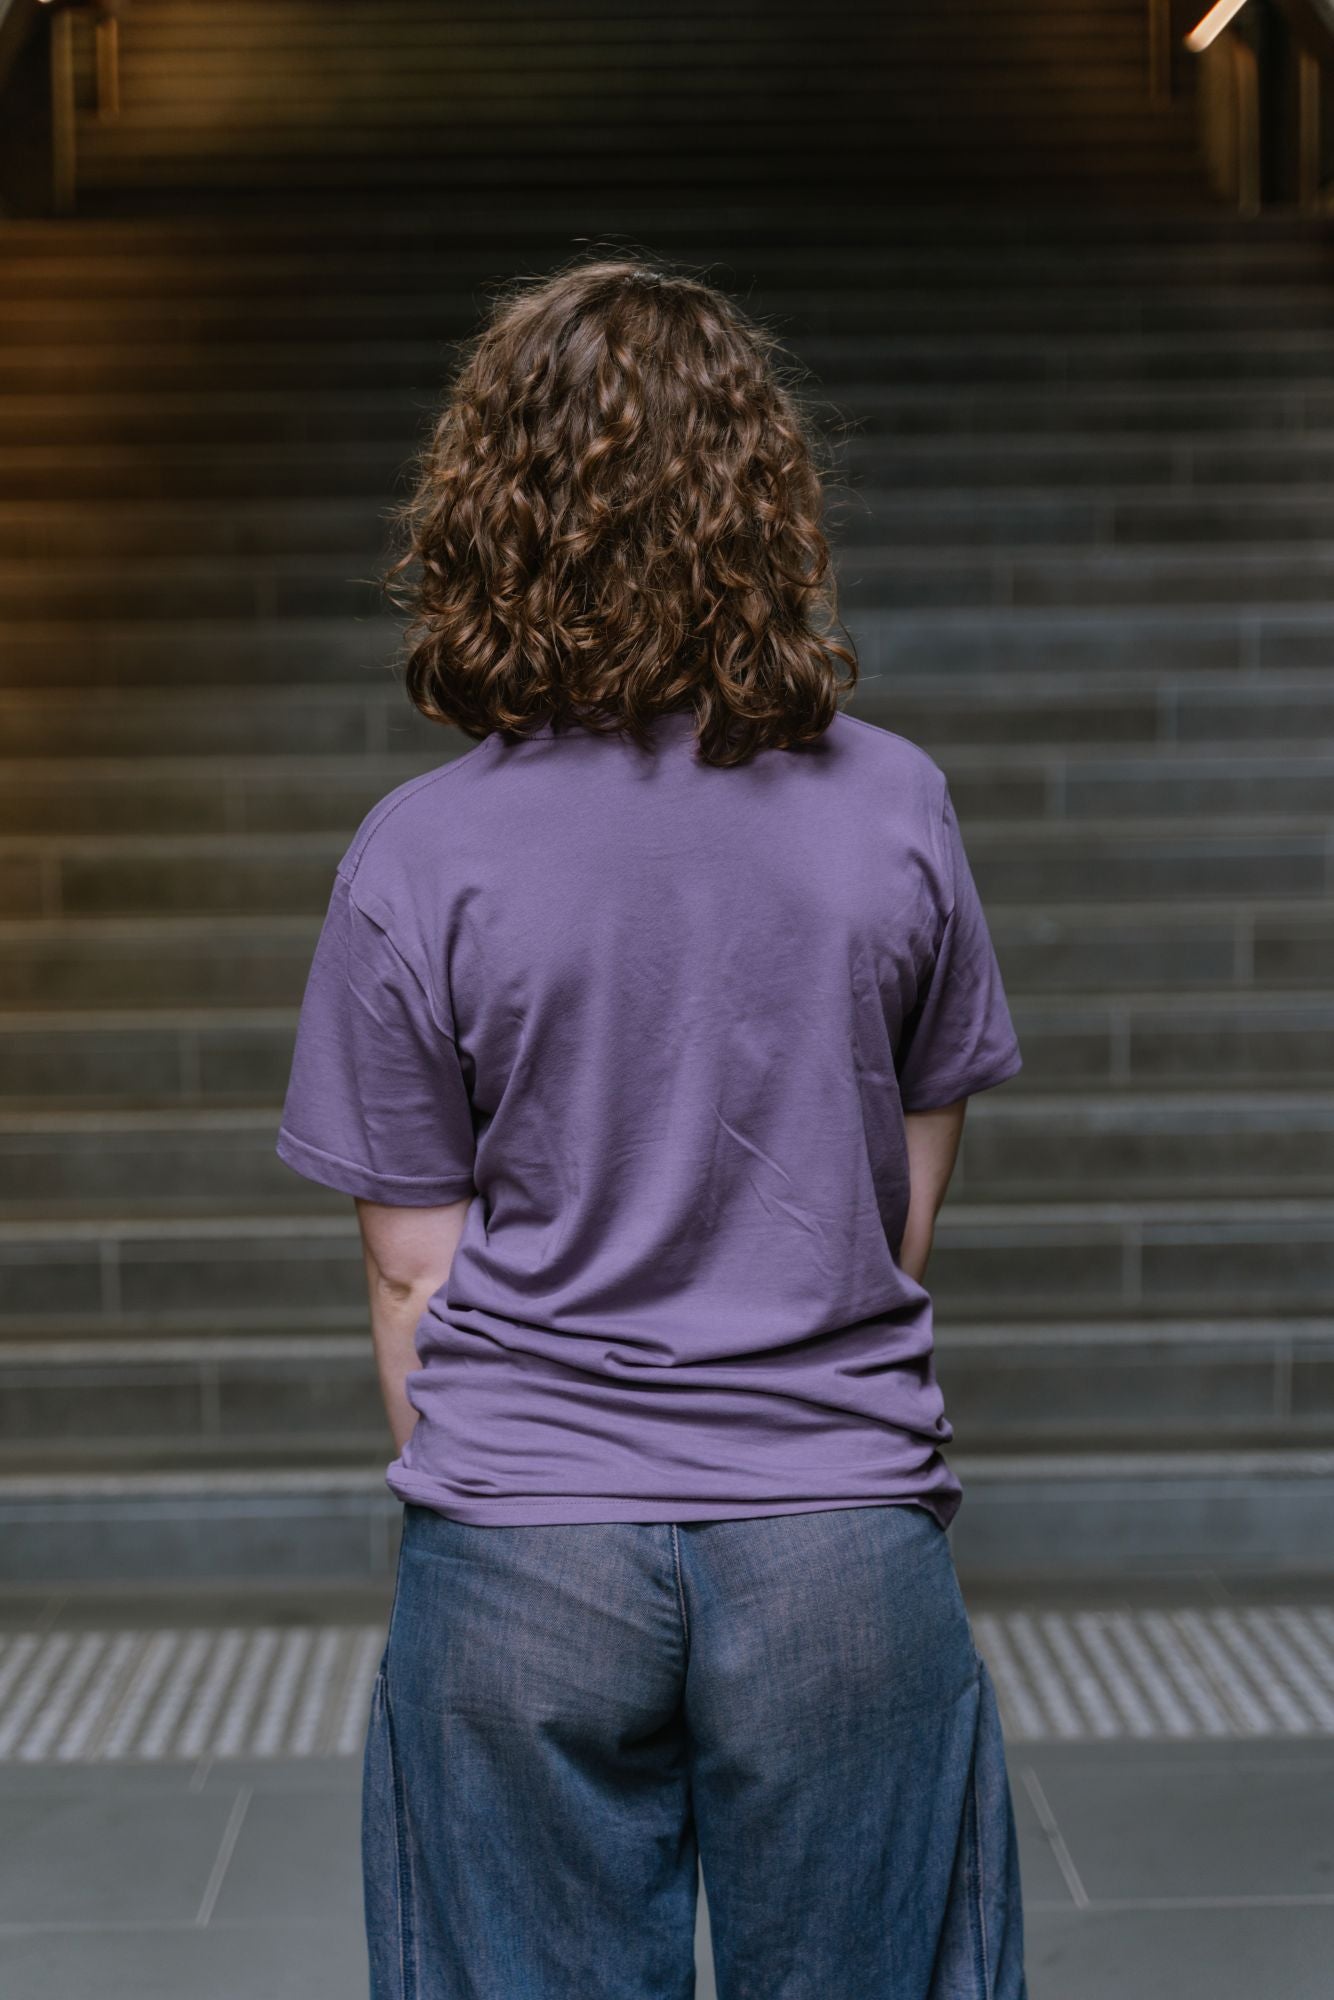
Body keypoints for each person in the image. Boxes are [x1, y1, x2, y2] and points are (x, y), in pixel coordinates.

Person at [276, 256, 1029, 2000]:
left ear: (489, 512)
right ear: (764, 504)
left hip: (525, 1543)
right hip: (837, 1532)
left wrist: (514, 1474)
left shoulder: (416, 855)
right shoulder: (898, 806)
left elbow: (413, 1277)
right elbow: (901, 1188)